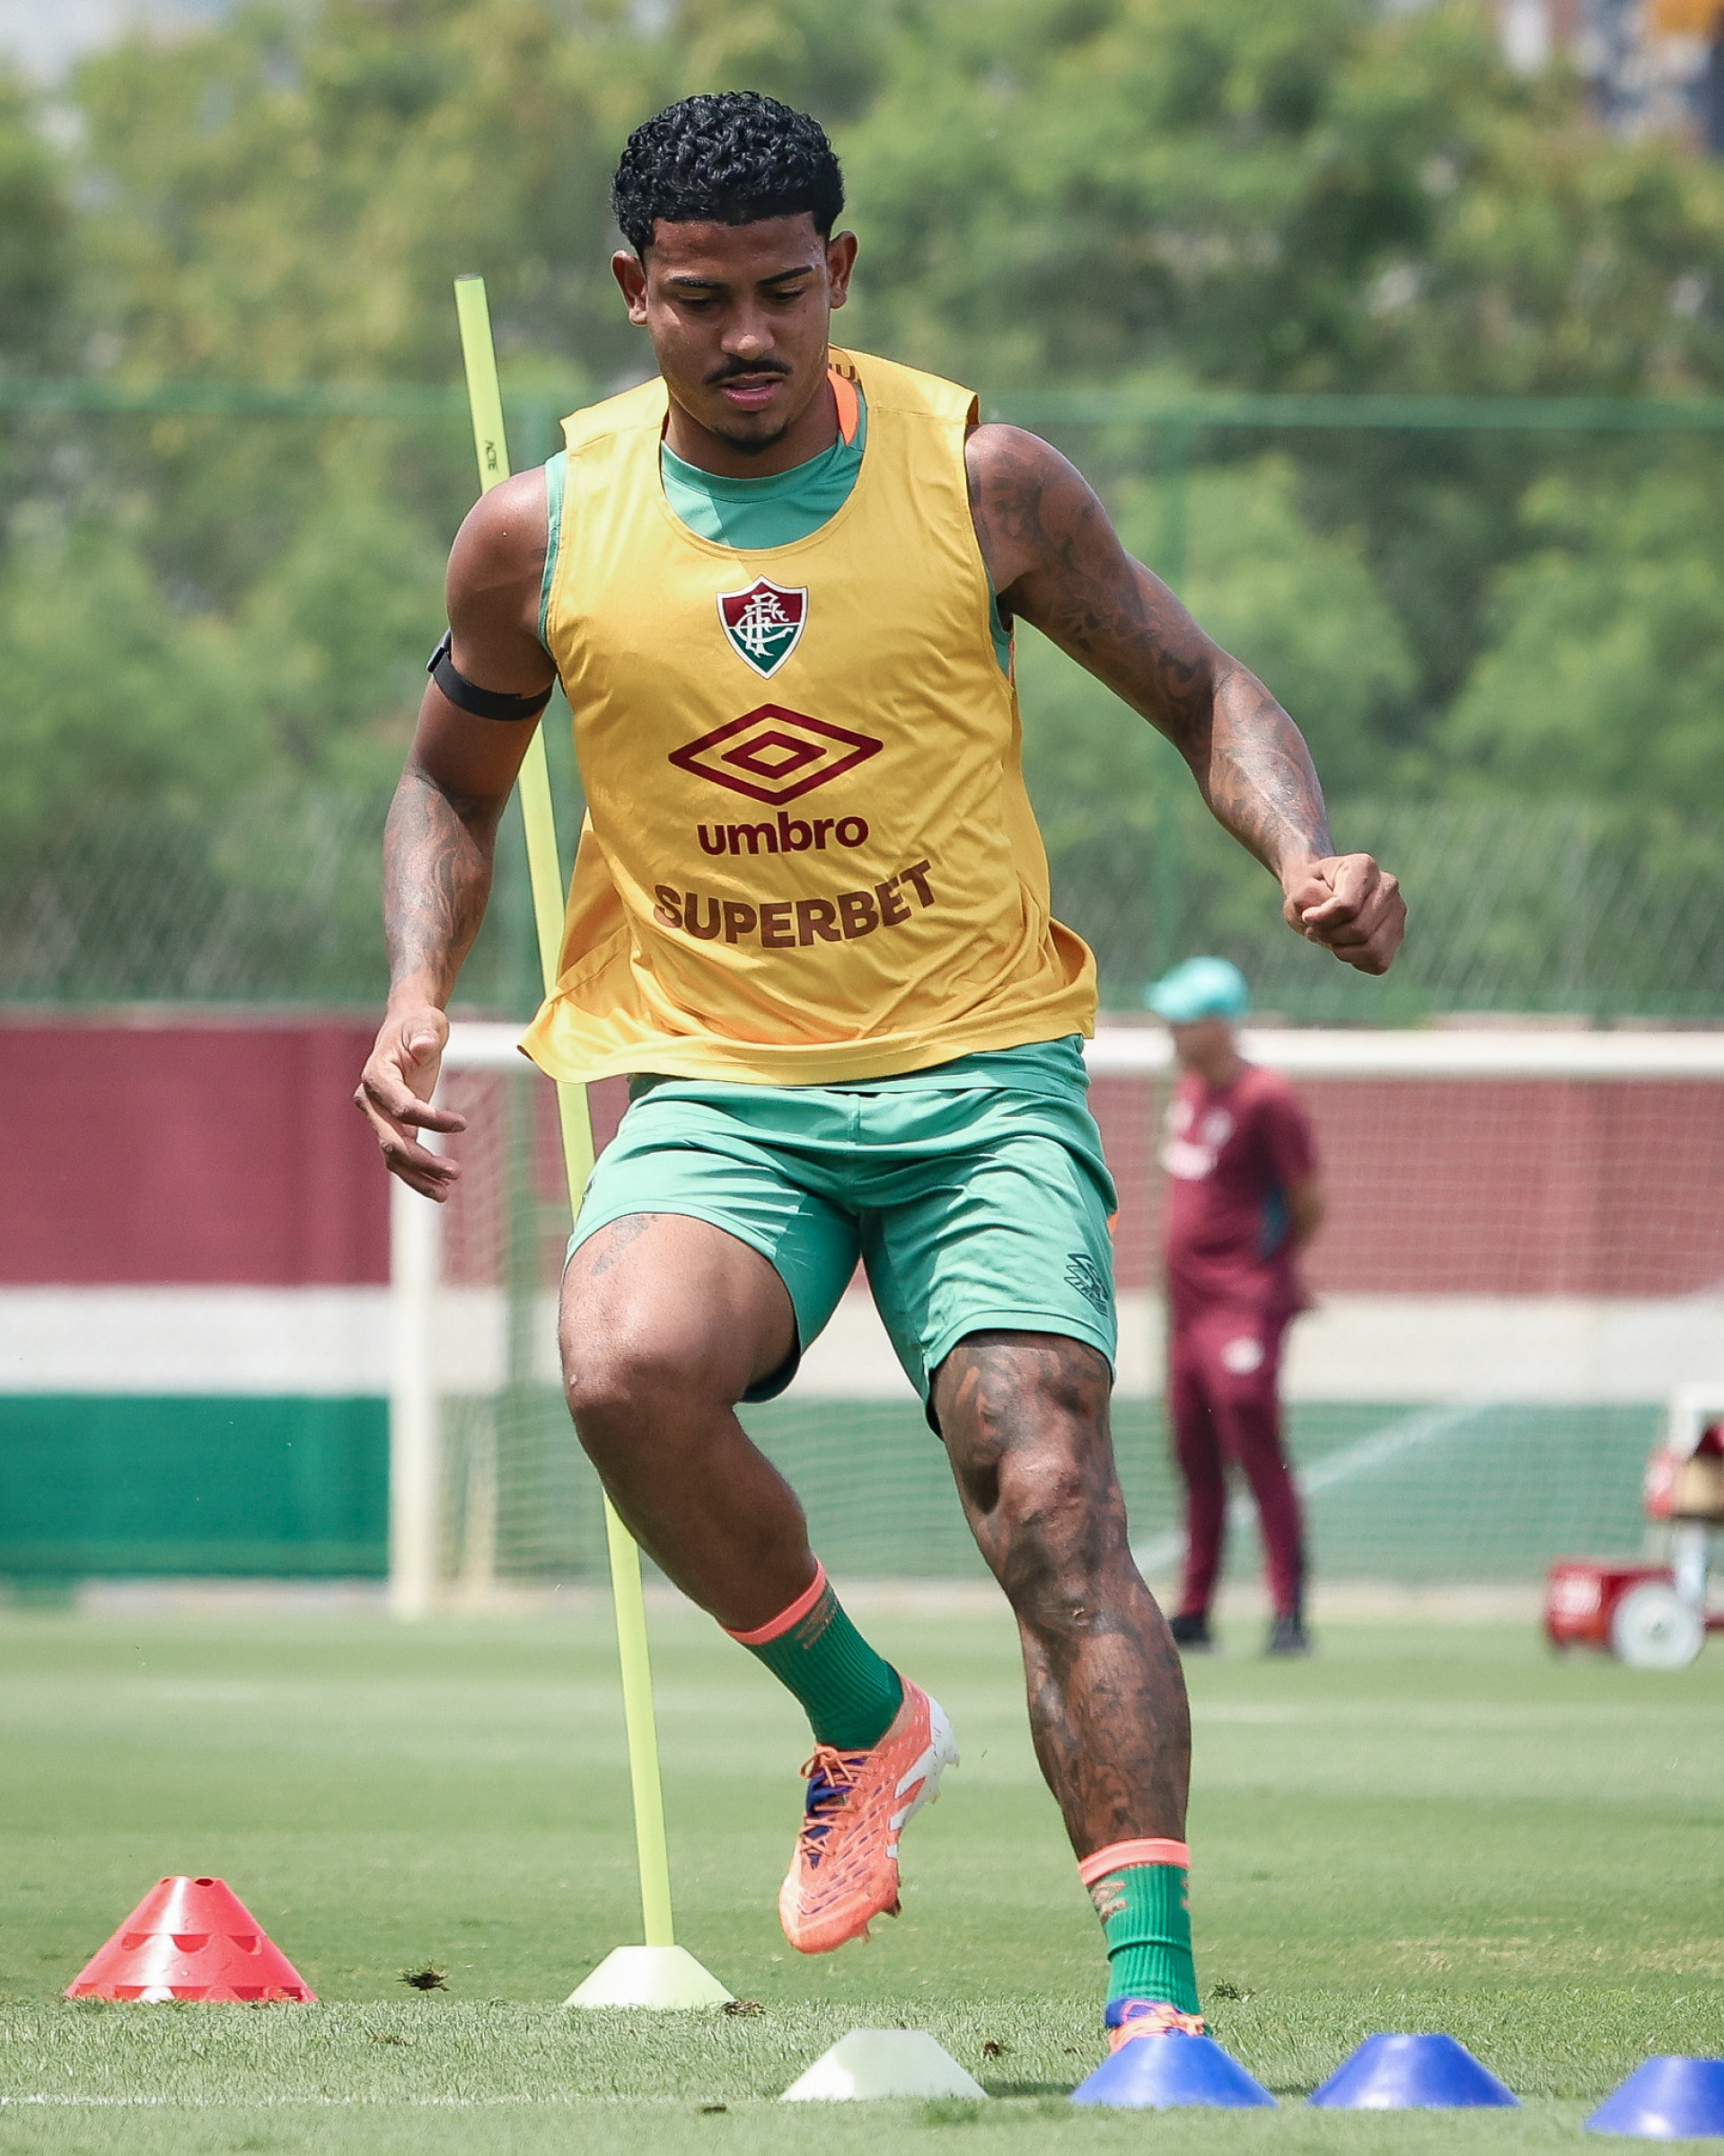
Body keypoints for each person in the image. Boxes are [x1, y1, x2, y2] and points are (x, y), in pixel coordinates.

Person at [356, 92, 1404, 2065]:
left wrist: (1302, 854)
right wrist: (418, 987)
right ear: (633, 292)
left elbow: (1205, 689)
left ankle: (1155, 2013)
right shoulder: (541, 528)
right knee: (622, 1367)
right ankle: (863, 1716)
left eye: (784, 291)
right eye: (701, 302)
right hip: (716, 1081)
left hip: (980, 1077)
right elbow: (447, 779)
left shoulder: (983, 480)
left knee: (1049, 1488)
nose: (748, 337)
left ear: (840, 269)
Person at [1147, 957, 1324, 1658]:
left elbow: (1308, 1200)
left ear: (1222, 1023)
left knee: (1256, 1443)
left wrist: (1266, 1274)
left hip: (1243, 1306)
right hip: (1186, 1312)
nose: (1172, 1030)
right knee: (1194, 1454)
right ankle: (1195, 1610)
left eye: (1185, 1019)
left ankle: (1288, 1610)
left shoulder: (1267, 1098)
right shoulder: (1187, 1089)